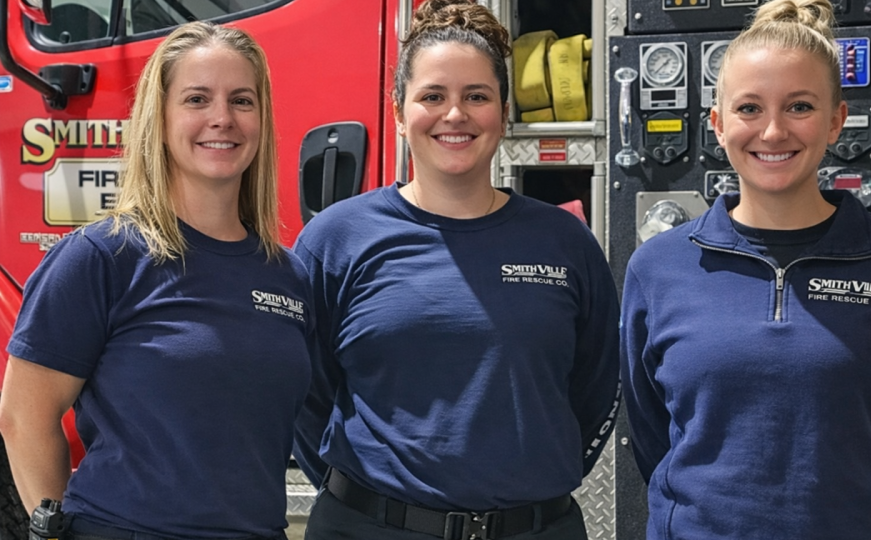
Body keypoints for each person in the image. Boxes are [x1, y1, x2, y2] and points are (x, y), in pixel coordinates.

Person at [619, 0, 871, 538]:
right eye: (749, 108)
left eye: (799, 106)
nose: (773, 132)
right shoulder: (659, 267)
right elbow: (650, 432)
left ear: (836, 121)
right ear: (717, 123)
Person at [291, 1, 620, 539]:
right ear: (399, 112)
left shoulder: (564, 242)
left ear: (504, 111)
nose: (455, 115)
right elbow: (305, 395)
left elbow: (596, 384)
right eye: (432, 97)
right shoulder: (336, 240)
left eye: (476, 96)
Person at [0, 22, 315, 540]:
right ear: (160, 118)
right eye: (197, 99)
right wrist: (51, 533)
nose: (222, 118)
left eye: (242, 100)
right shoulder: (102, 257)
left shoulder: (289, 276)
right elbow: (23, 419)